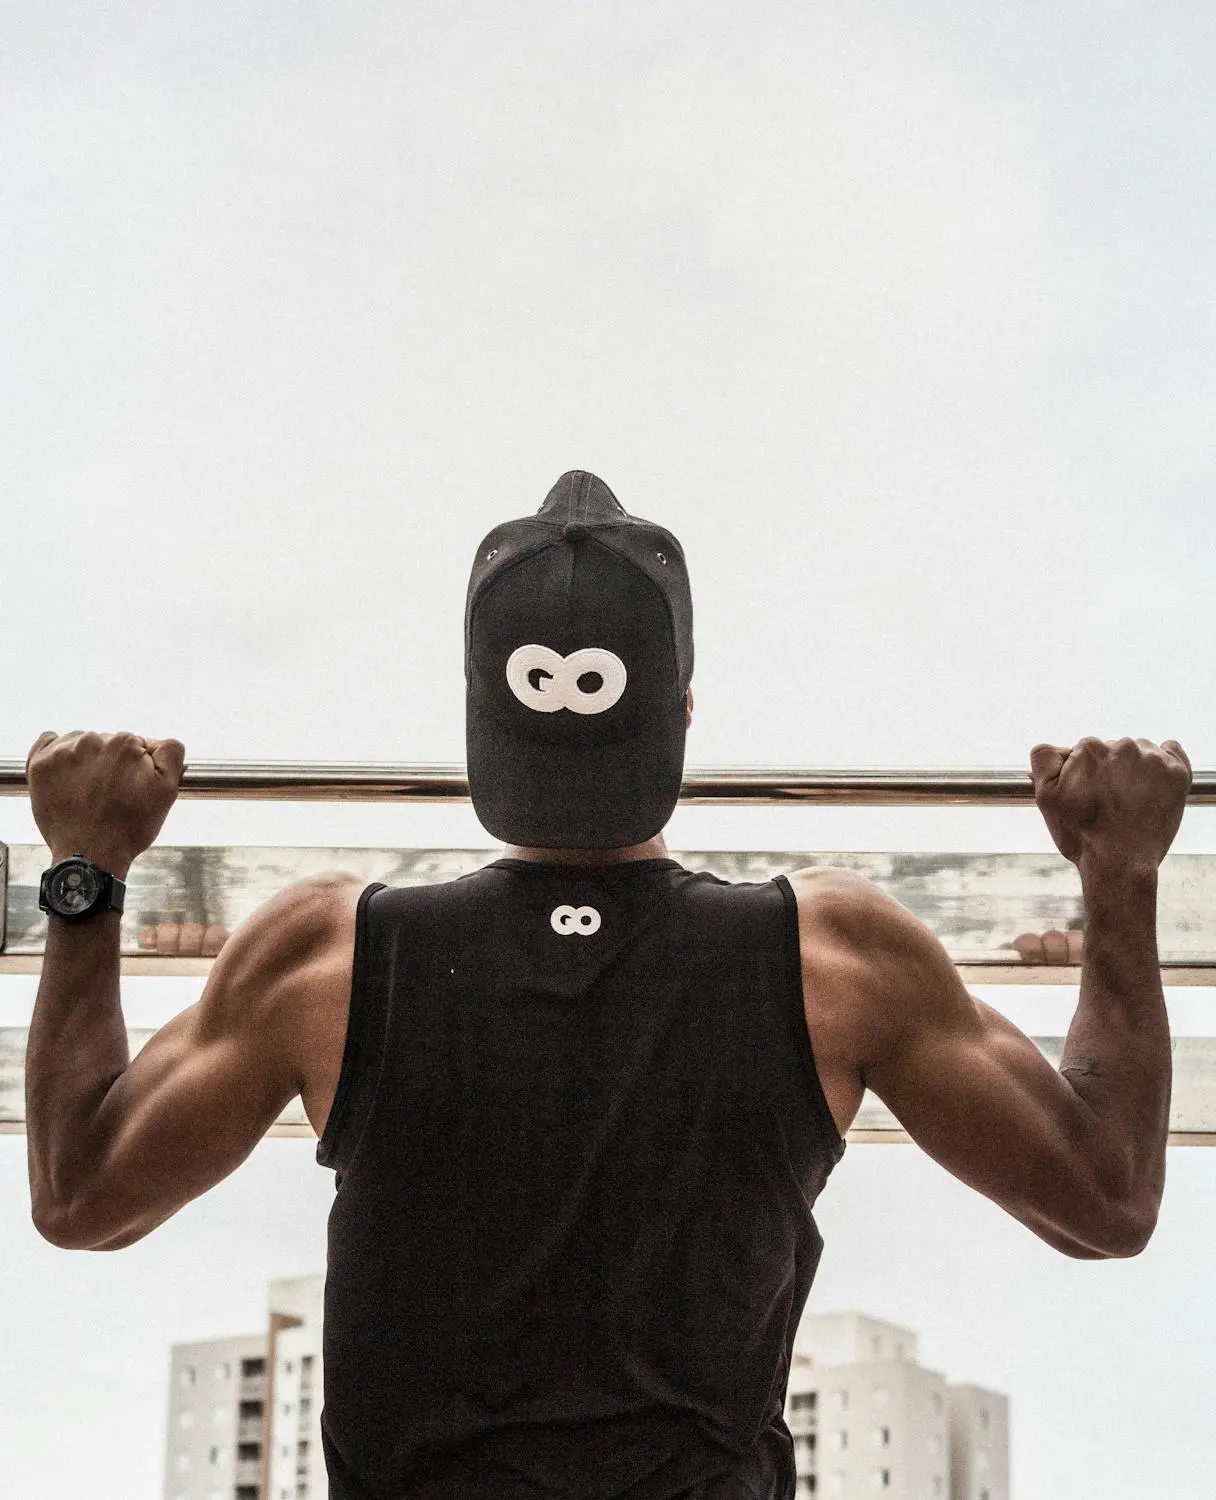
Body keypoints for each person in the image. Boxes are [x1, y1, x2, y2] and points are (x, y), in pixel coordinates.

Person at [24, 470, 1192, 1499]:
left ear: (482, 720)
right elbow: (1105, 1202)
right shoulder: (837, 957)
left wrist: (86, 868)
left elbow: (83, 1197)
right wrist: (1117, 876)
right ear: (681, 713)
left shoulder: (321, 956)